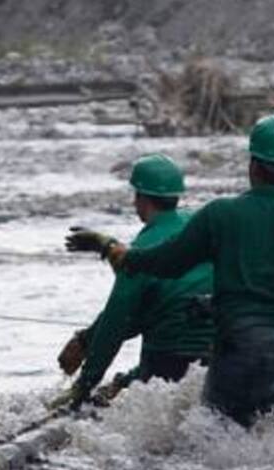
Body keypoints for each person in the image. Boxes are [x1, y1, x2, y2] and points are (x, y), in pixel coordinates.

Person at [78, 114, 274, 427]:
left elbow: (168, 261)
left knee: (216, 438)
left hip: (235, 356)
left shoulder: (219, 215)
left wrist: (122, 255)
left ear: (253, 164)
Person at [58, 154, 214, 409]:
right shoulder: (199, 228)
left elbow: (117, 321)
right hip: (220, 362)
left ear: (140, 198)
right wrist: (125, 380)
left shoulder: (142, 249)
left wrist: (83, 386)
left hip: (166, 367)